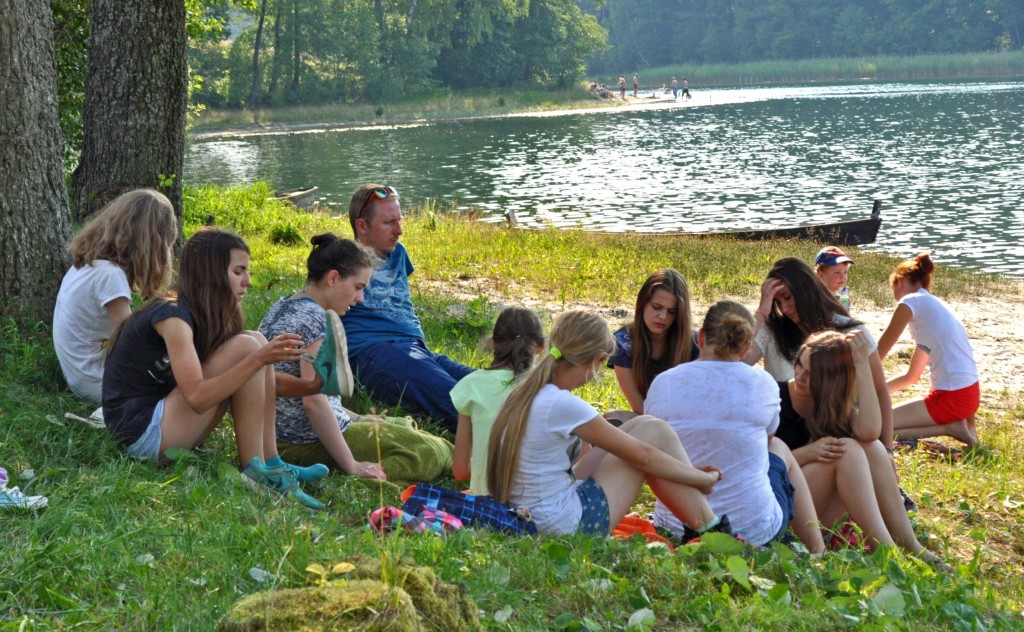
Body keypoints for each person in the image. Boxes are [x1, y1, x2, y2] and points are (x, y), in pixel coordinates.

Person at [102, 228, 325, 510]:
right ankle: (256, 470)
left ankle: (272, 463)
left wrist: (312, 385)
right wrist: (258, 359)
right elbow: (197, 398)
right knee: (250, 348)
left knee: (255, 341)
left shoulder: (203, 313)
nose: (249, 281)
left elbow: (251, 382)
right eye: (239, 271)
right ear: (212, 273)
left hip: (166, 421)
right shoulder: (172, 316)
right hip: (142, 433)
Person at [486, 310, 730, 539]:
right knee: (653, 433)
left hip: (533, 512)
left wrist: (689, 474)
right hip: (562, 526)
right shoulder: (562, 404)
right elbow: (643, 456)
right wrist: (700, 480)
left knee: (643, 425)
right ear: (598, 360)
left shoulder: (529, 391)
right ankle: (713, 531)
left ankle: (703, 526)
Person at [260, 233, 454, 483]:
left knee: (401, 426)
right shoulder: (318, 319)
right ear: (333, 278)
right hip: (303, 442)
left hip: (277, 437)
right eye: (358, 287)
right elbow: (313, 402)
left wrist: (360, 418)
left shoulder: (282, 306)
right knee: (430, 451)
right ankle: (368, 475)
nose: (360, 298)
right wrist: (350, 465)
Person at [646, 301, 824, 552]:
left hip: (674, 525)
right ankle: (817, 551)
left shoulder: (663, 382)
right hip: (752, 528)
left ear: (701, 337)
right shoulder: (763, 383)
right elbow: (767, 438)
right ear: (746, 348)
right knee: (778, 446)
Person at [776, 331, 949, 568]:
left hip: (818, 509)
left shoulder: (830, 404)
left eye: (811, 374)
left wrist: (861, 364)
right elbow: (759, 467)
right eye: (799, 367)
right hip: (781, 507)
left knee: (873, 449)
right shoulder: (776, 399)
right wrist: (809, 453)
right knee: (847, 450)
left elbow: (869, 431)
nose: (800, 377)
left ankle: (910, 545)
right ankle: (888, 554)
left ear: (832, 381)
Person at [341, 184, 473, 431]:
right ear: (362, 226)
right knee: (458, 400)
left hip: (416, 349)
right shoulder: (343, 260)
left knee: (492, 385)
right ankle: (522, 441)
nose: (399, 230)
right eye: (389, 223)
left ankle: (550, 421)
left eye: (399, 220)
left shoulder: (398, 253)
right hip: (374, 352)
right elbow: (317, 302)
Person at [744, 257, 895, 447]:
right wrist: (762, 313)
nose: (784, 308)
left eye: (788, 297)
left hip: (838, 434)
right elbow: (734, 364)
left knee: (874, 449)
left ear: (805, 289)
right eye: (777, 301)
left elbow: (881, 392)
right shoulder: (772, 332)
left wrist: (889, 448)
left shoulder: (848, 331)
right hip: (789, 442)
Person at [53, 189, 177, 402]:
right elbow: (131, 343)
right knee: (187, 372)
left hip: (79, 375)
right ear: (151, 245)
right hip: (97, 382)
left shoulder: (87, 265)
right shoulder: (111, 276)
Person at [877, 254, 980, 448]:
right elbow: (911, 376)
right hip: (969, 397)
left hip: (951, 398)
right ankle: (959, 425)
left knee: (877, 429)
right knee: (884, 429)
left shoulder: (910, 302)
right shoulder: (933, 307)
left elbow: (877, 355)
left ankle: (949, 428)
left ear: (899, 281)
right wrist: (876, 393)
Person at [450, 307, 546, 495]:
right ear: (540, 348)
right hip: (537, 503)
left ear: (494, 343)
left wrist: (483, 474)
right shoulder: (547, 389)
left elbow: (460, 472)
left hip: (486, 503)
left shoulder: (470, 386)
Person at [607, 269, 698, 417]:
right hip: (648, 420)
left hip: (688, 421)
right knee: (613, 417)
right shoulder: (623, 342)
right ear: (642, 304)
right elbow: (638, 406)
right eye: (657, 307)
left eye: (672, 312)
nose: (663, 316)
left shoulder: (694, 342)